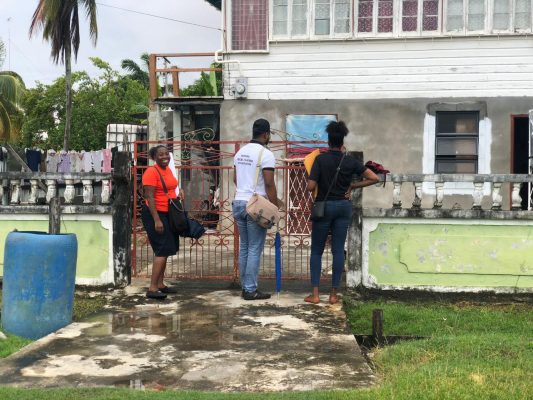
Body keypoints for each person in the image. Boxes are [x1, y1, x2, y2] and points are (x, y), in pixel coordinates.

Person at [305, 121, 379, 305]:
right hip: (343, 206)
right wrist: (353, 185)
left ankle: (314, 295)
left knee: (317, 251)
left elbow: (310, 187)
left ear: (328, 141)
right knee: (338, 250)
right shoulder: (350, 161)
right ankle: (333, 295)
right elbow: (374, 178)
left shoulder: (320, 160)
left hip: (324, 206)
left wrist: (314, 180)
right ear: (342, 141)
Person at [233, 118, 278, 300]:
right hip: (255, 205)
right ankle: (250, 289)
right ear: (266, 134)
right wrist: (274, 207)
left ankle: (246, 286)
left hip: (238, 202)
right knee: (254, 248)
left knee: (245, 246)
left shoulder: (240, 153)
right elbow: (269, 183)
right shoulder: (266, 154)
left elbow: (235, 180)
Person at [141, 145, 185, 299]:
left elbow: (170, 187)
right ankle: (152, 288)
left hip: (168, 213)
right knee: (162, 249)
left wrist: (178, 193)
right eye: (161, 154)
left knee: (167, 249)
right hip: (155, 214)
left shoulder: (167, 170)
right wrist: (156, 220)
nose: (165, 157)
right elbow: (150, 197)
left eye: (167, 154)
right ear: (154, 157)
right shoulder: (151, 172)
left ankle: (160, 284)